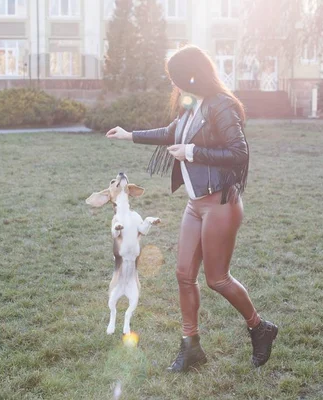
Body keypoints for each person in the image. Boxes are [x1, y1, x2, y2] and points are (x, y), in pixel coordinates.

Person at [106, 45, 278, 372]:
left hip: (220, 204)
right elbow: (171, 133)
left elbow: (238, 153)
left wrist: (193, 151)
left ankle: (260, 327)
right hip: (195, 205)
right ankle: (191, 347)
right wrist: (129, 135)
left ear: (193, 74)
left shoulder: (221, 106)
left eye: (177, 78)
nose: (175, 85)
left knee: (217, 279)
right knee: (184, 275)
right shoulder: (192, 104)